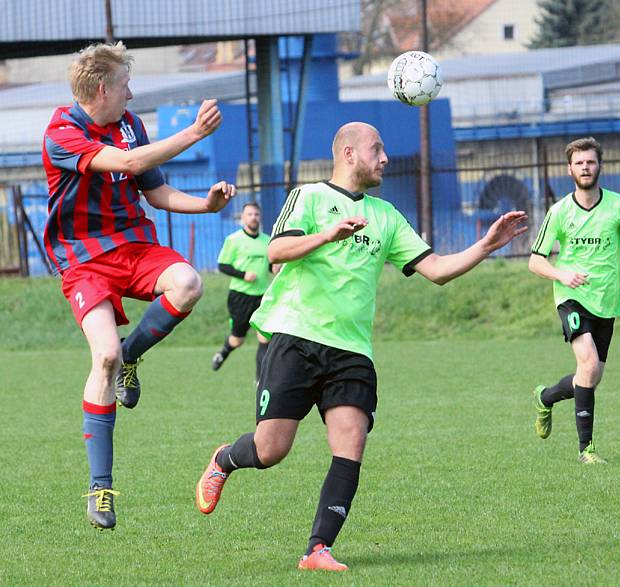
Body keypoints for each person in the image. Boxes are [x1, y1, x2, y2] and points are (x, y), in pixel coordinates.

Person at [195, 121, 528, 571]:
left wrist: (486, 244)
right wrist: (327, 235)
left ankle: (317, 549)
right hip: (297, 338)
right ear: (349, 154)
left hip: (352, 352)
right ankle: (223, 459)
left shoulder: (387, 217)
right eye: (377, 149)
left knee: (350, 443)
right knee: (271, 450)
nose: (385, 158)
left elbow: (438, 270)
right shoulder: (309, 196)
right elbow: (277, 252)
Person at [42, 41, 236, 530]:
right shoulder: (62, 131)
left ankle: (134, 354)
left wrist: (205, 206)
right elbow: (126, 165)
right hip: (85, 260)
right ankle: (101, 488)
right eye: (125, 85)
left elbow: (155, 190)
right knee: (103, 357)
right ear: (102, 89)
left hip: (134, 247)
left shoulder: (132, 125)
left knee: (188, 282)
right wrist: (193, 132)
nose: (131, 93)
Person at [529, 137, 620, 464]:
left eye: (590, 162)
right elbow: (535, 260)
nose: (585, 168)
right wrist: (562, 275)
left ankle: (546, 396)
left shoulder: (618, 206)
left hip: (606, 301)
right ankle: (586, 451)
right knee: (589, 364)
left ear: (599, 166)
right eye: (579, 163)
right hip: (571, 298)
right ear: (570, 169)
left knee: (590, 377)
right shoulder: (560, 212)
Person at [211, 201, 278, 380]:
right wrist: (243, 274)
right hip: (240, 296)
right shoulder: (233, 240)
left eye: (256, 214)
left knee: (264, 339)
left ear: (260, 217)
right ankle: (222, 353)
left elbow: (272, 267)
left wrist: (276, 268)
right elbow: (223, 265)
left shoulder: (267, 240)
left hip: (262, 296)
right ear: (242, 218)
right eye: (249, 214)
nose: (253, 217)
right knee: (237, 340)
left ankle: (259, 381)